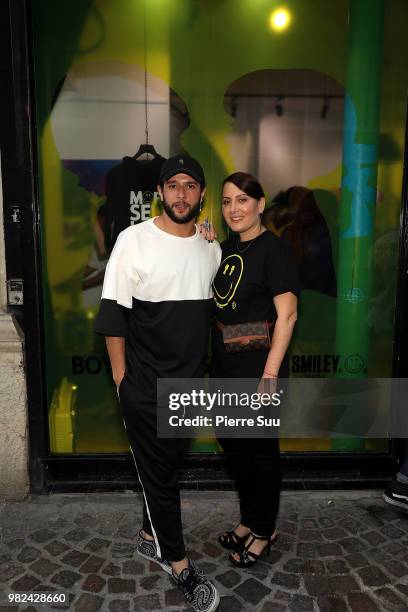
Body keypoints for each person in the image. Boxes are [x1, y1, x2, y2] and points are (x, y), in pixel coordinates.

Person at [94, 155, 221, 612]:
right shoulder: (133, 241)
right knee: (163, 478)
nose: (182, 194)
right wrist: (122, 379)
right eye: (173, 185)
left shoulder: (212, 248)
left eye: (191, 186)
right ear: (160, 193)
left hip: (189, 387)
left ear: (201, 195)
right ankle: (179, 562)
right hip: (145, 387)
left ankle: (149, 535)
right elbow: (113, 317)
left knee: (166, 466)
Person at [211, 172, 299, 567]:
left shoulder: (274, 250)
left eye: (243, 200)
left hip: (258, 369)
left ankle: (264, 530)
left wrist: (270, 375)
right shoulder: (228, 248)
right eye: (227, 201)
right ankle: (249, 519)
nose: (234, 209)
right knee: (235, 447)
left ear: (260, 205)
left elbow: (288, 315)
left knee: (261, 451)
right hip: (226, 366)